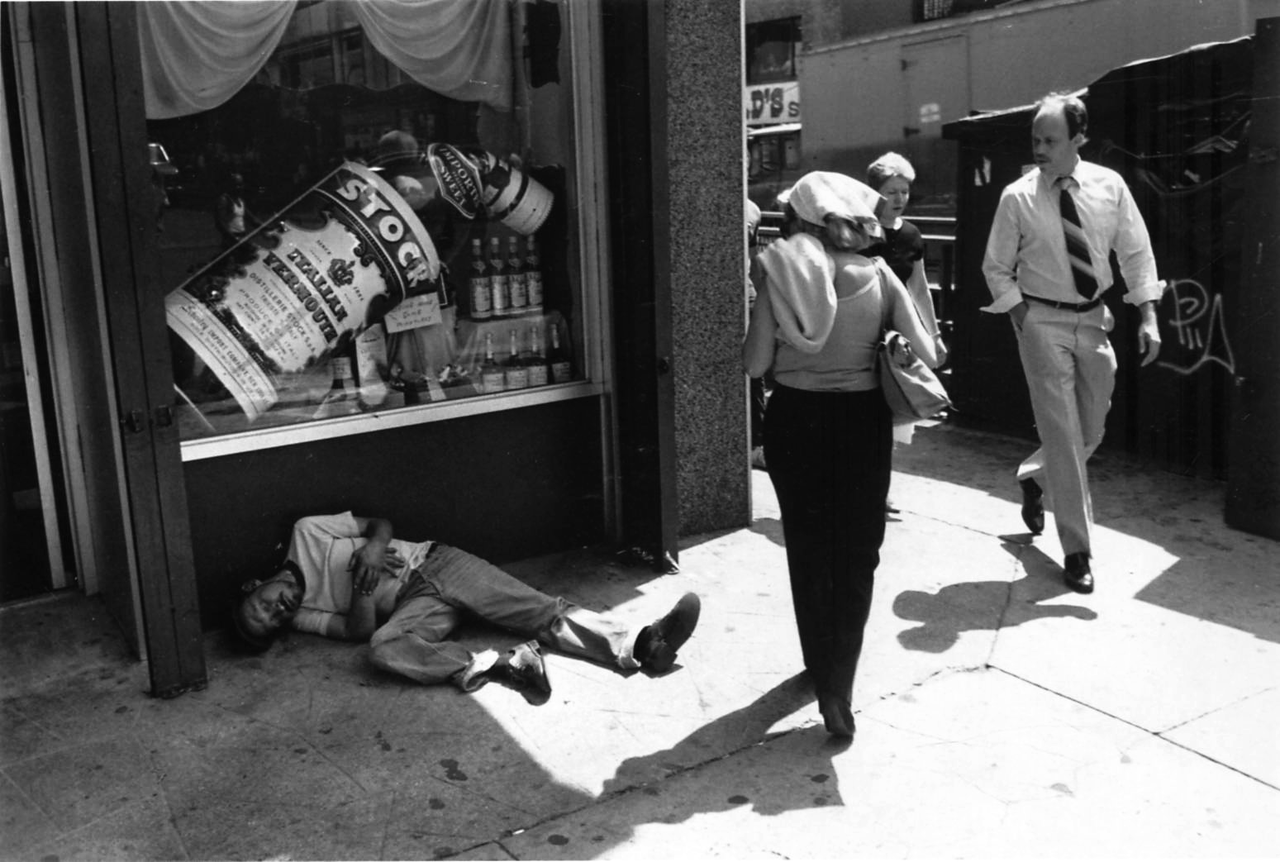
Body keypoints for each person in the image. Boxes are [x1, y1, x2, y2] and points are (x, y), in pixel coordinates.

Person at [742, 172, 939, 738]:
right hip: (861, 422)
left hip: (795, 421)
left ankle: (818, 661)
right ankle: (839, 686)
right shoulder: (878, 274)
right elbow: (929, 352)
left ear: (800, 221)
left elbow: (754, 364)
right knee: (857, 553)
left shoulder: (780, 276)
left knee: (808, 549)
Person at [981, 92, 1162, 594]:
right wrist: (1023, 317)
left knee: (1092, 425)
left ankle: (1035, 477)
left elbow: (1136, 252)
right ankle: (1077, 550)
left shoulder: (1110, 186)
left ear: (1079, 138)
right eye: (1035, 139)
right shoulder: (1017, 197)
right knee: (1063, 433)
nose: (1040, 149)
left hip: (1094, 319)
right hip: (1042, 321)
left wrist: (1148, 315)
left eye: (1051, 140)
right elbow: (996, 267)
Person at [232, 512, 701, 703]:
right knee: (381, 648)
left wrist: (373, 549)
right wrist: (362, 583)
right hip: (415, 607)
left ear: (255, 584)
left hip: (437, 563)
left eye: (264, 605)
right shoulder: (304, 616)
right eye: (274, 621)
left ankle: (643, 643)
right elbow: (357, 631)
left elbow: (378, 522)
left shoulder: (306, 533)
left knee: (539, 610)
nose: (279, 611)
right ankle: (503, 664)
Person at [863, 152, 949, 510]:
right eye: (891, 191)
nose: (899, 199)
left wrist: (933, 335)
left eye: (904, 191)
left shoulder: (912, 234)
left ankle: (879, 488)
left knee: (892, 410)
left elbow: (920, 288)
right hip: (862, 330)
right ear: (875, 192)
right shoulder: (860, 229)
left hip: (895, 336)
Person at [213, 171, 256, 251]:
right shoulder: (224, 200)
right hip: (230, 240)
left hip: (241, 237)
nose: (239, 187)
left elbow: (251, 219)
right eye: (236, 185)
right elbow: (220, 223)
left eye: (241, 185)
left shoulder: (240, 200)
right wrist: (234, 239)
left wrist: (266, 228)